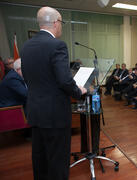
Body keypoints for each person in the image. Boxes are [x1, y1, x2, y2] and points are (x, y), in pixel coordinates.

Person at [21, 7, 87, 180]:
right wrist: (78, 91)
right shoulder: (57, 45)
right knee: (58, 162)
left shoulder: (26, 46)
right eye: (62, 23)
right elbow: (64, 81)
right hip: (55, 115)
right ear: (56, 23)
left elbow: (28, 78)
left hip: (35, 112)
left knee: (40, 161)